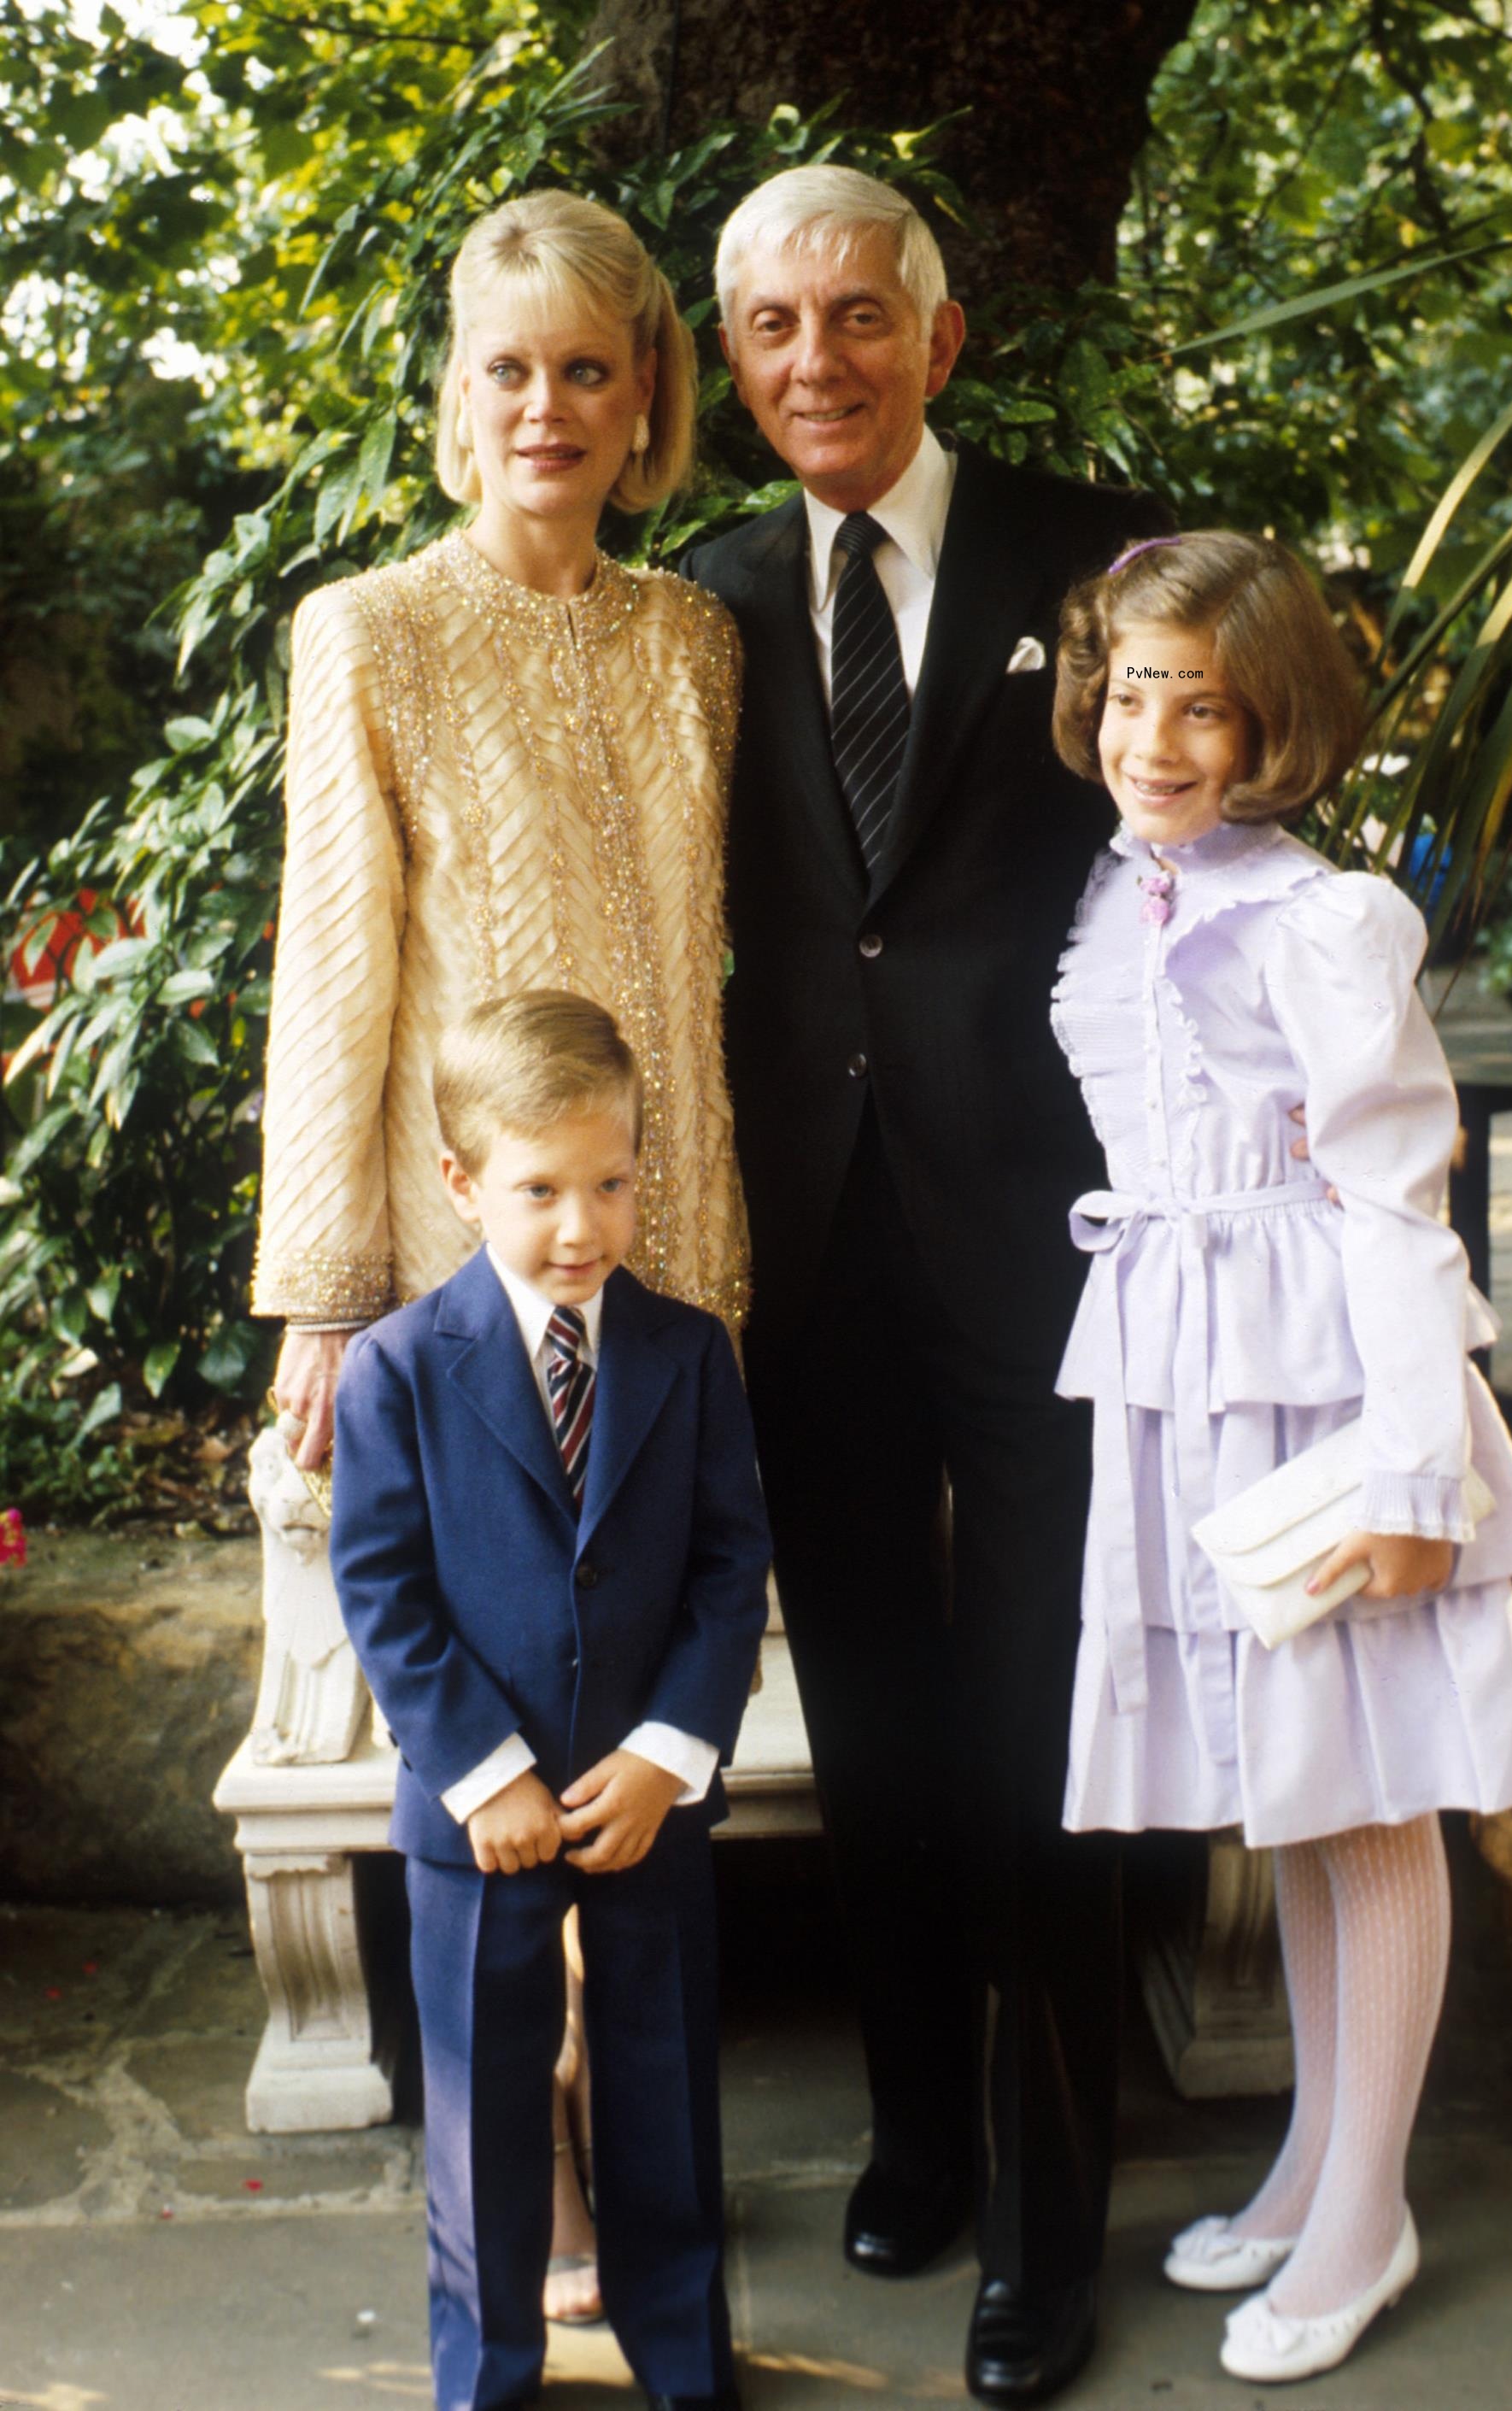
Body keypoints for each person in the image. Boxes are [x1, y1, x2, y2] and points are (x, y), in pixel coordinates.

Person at [683, 163, 1171, 2405]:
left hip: (1059, 1228)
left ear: (942, 337)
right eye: (775, 325)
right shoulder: (701, 599)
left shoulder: (1099, 561)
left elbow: (1212, 836)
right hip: (816, 1234)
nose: (820, 361)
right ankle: (915, 2129)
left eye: (860, 313)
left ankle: (1051, 2209)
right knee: (874, 1702)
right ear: (732, 357)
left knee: (1058, 1706)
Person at [252, 187, 750, 2321]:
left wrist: (718, 1263)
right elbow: (332, 967)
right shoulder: (371, 629)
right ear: (457, 401)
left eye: (587, 370)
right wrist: (326, 1288)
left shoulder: (696, 636)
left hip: (672, 1243)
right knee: (504, 1722)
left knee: (630, 1699)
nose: (547, 405)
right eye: (508, 369)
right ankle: (527, 2157)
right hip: (465, 1267)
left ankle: (639, 2153)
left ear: (645, 404)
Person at [1048, 530, 1512, 2384]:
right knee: (1303, 1797)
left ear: (1273, 724)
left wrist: (1418, 1479)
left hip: (1324, 1383)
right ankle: (1311, 2168)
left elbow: (1397, 1199)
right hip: (1189, 1362)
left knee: (1370, 1793)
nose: (1157, 739)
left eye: (1205, 706)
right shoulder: (1126, 892)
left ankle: (1367, 2216)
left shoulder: (1320, 917)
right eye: (1132, 692)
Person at [329, 989, 769, 2411]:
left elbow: (729, 1566)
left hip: (643, 1801)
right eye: (540, 1190)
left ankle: (683, 2359)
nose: (582, 1224)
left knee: (664, 2097)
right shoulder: (401, 1367)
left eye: (611, 1183)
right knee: (483, 2122)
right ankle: (488, 2375)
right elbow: (384, 1590)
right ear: (462, 1182)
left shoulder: (688, 1354)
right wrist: (484, 1772)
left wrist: (668, 1753)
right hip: (482, 1820)